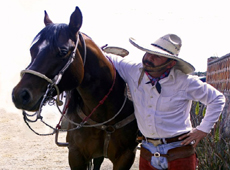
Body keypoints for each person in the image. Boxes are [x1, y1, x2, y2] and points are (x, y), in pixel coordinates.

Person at [105, 34, 225, 170]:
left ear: (171, 63)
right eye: (148, 53)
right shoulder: (133, 70)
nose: (149, 58)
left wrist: (203, 129)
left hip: (179, 151)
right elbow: (109, 58)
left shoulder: (185, 82)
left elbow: (217, 98)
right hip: (147, 150)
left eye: (157, 56)